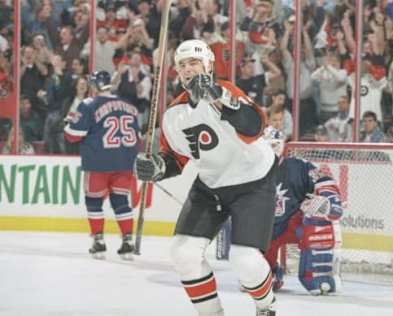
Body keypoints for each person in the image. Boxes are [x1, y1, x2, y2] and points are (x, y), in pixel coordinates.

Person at [134, 39, 278, 316]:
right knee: (182, 252)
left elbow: (255, 126)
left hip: (253, 180)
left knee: (244, 259)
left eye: (194, 63)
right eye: (183, 65)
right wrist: (158, 167)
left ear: (208, 65)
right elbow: (176, 158)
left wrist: (217, 98)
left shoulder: (225, 91)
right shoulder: (174, 114)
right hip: (211, 185)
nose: (188, 69)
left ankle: (266, 306)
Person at [64, 70, 140, 260]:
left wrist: (68, 124)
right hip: (124, 162)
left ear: (94, 85)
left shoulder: (89, 104)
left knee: (94, 201)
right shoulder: (129, 105)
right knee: (121, 201)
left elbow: (73, 135)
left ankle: (98, 241)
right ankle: (128, 242)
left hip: (98, 162)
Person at [262, 126, 343, 295]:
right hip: (262, 230)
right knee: (257, 278)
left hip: (293, 224)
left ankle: (318, 276)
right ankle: (269, 273)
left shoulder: (298, 167)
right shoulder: (247, 171)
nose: (271, 150)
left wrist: (330, 200)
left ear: (282, 145)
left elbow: (324, 180)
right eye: (266, 145)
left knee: (317, 219)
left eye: (274, 144)